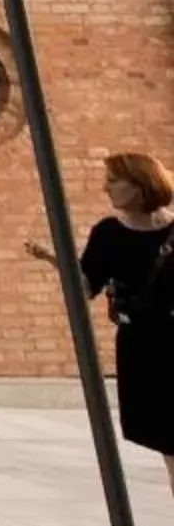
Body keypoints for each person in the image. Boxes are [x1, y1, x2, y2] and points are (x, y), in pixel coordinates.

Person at [29, 151, 174, 492]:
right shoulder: (108, 234)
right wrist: (56, 259)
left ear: (140, 185)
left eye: (113, 181)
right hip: (142, 349)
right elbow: (86, 288)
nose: (104, 188)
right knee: (169, 445)